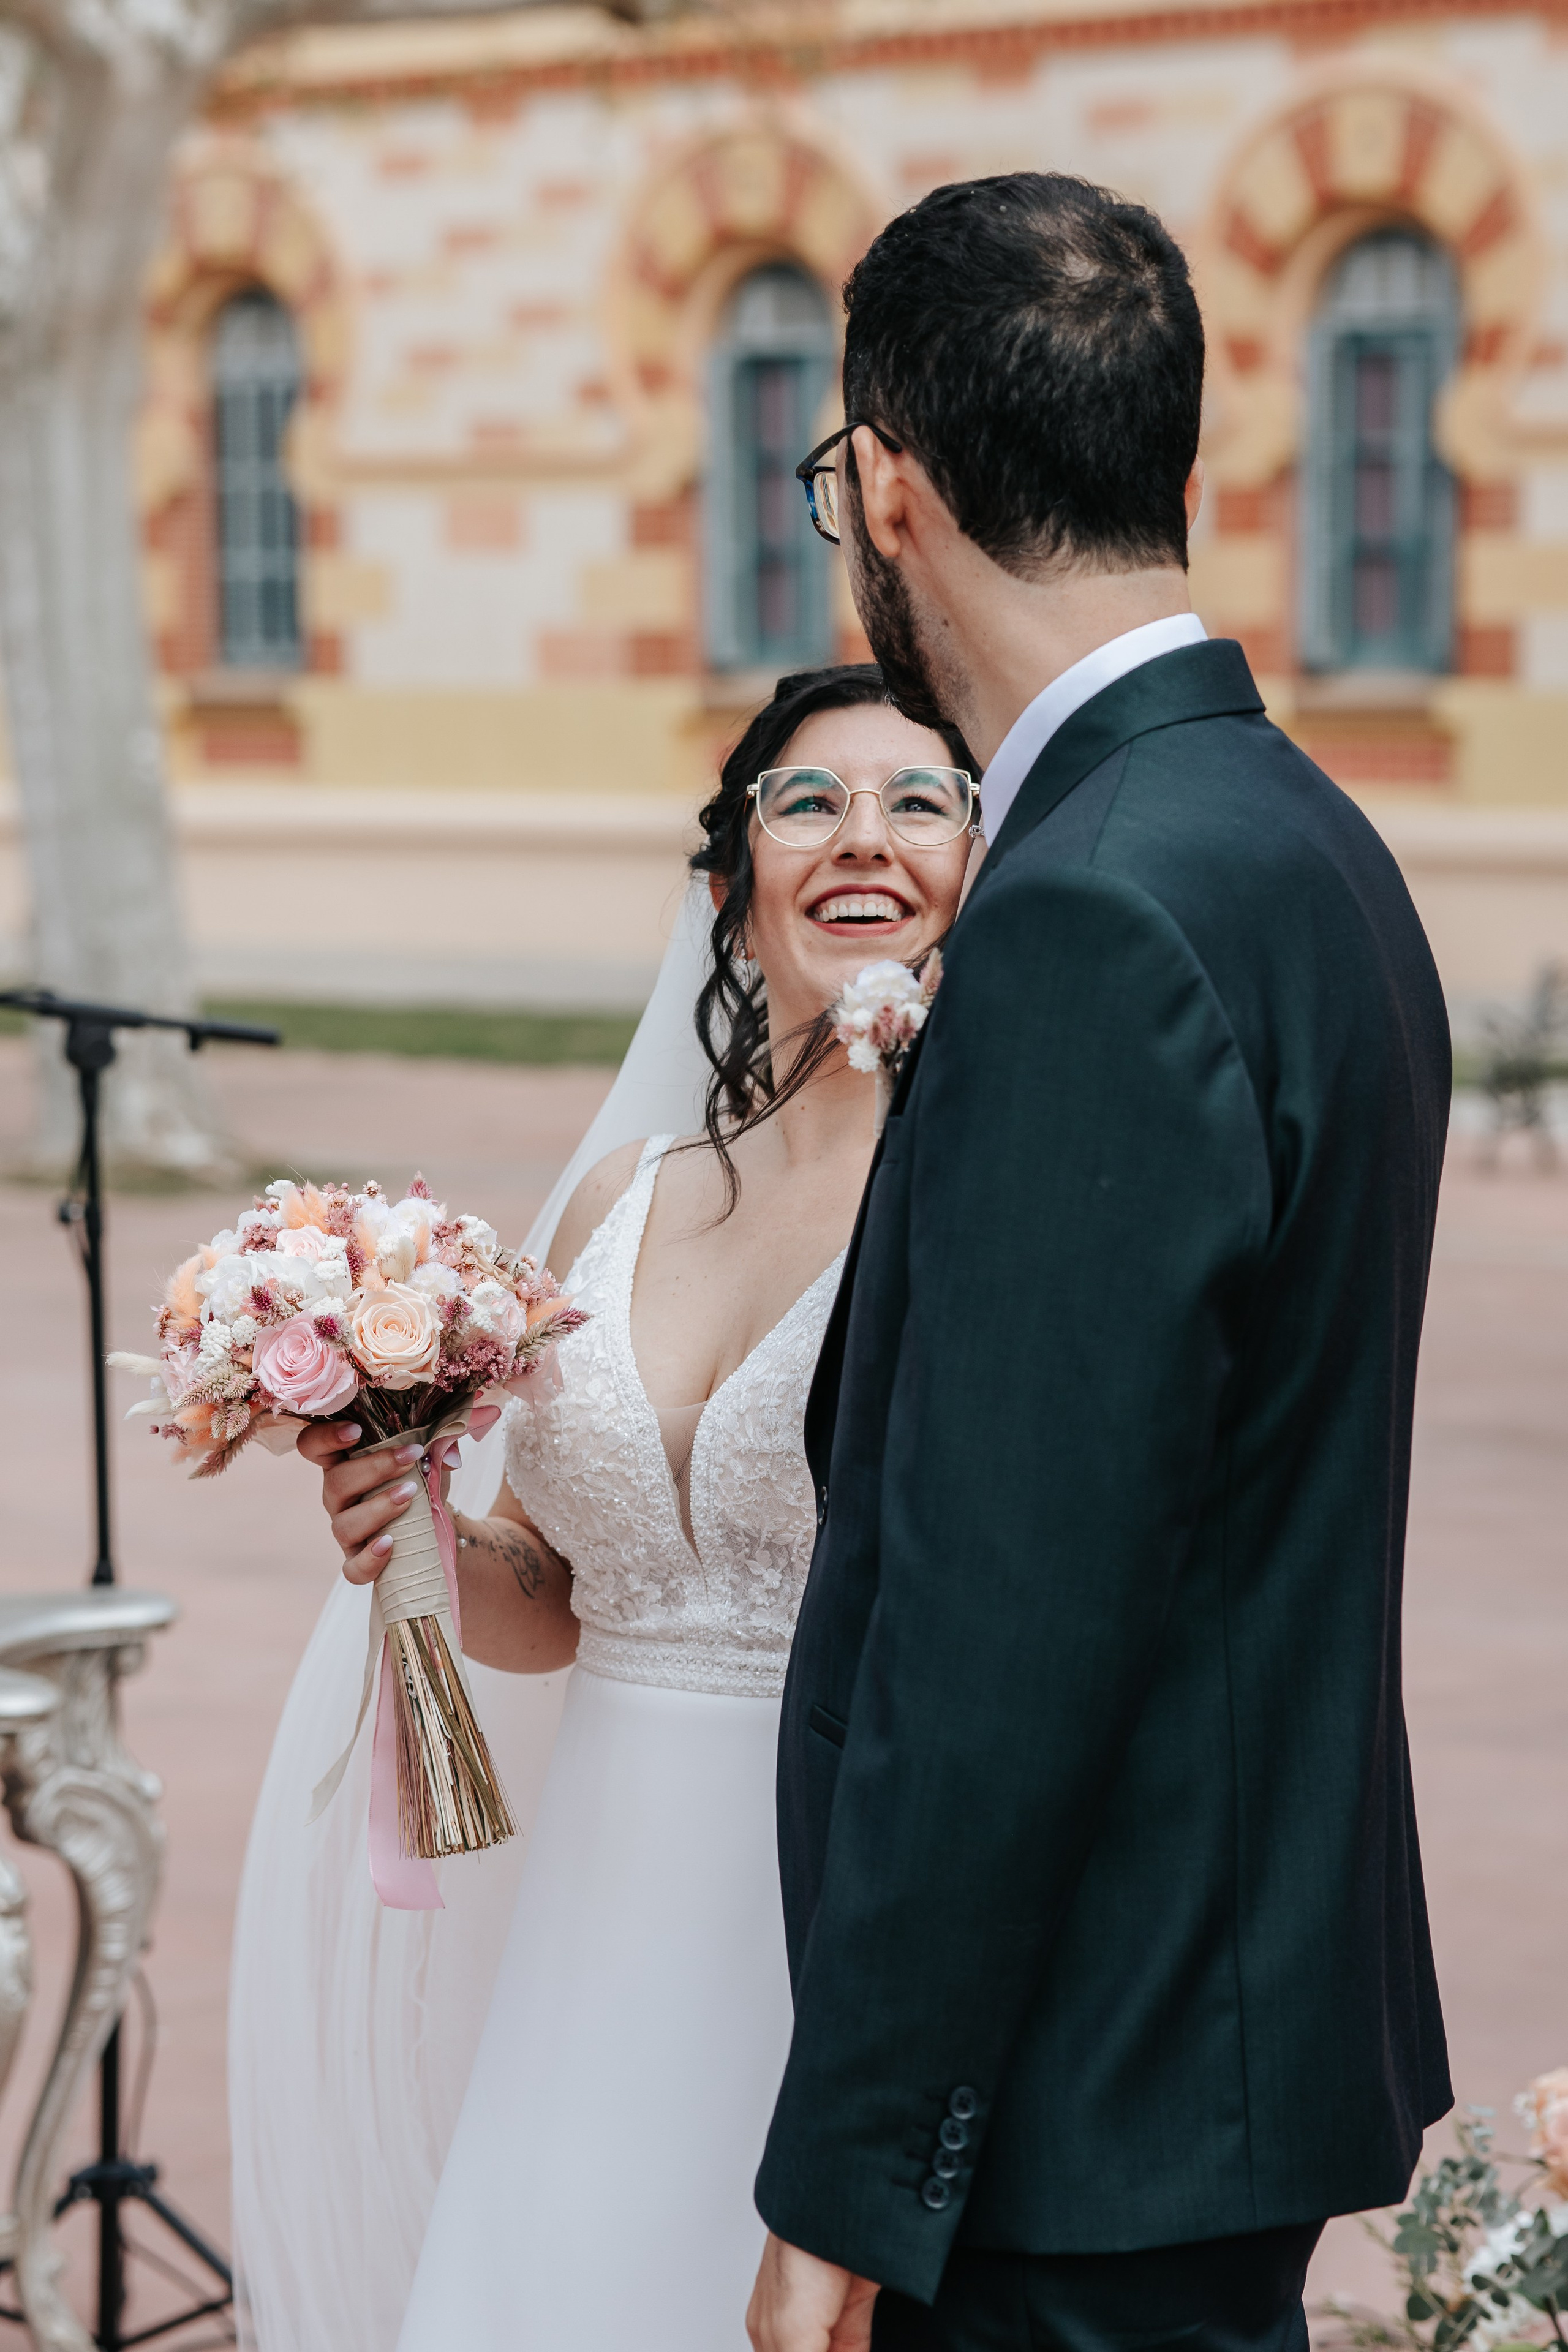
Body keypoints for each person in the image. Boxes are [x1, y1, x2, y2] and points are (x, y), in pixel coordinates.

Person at [747, 175, 1453, 2352]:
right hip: (1210, 2043)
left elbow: (1004, 1612)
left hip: (1068, 2109)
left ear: (892, 485)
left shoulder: (1088, 911)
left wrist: (849, 2184)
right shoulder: (1303, 841)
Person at [289, 664, 976, 2352]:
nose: (859, 837)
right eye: (807, 801)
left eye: (920, 800)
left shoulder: (981, 1198)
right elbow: (560, 1601)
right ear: (735, 885)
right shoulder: (624, 1198)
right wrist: (422, 1541)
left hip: (831, 1918)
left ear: (987, 863)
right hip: (594, 1941)